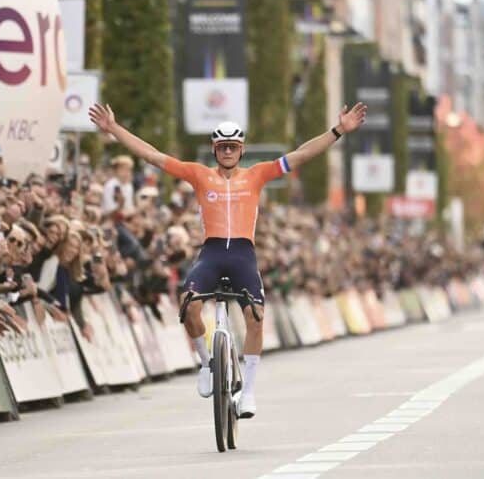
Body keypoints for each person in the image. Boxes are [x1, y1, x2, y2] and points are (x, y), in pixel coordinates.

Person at [89, 101, 367, 418]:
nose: (227, 152)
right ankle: (207, 363)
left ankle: (247, 392)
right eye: (222, 147)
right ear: (214, 148)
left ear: (242, 148)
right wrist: (113, 129)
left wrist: (338, 131)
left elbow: (301, 154)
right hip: (211, 252)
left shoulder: (258, 175)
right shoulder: (199, 174)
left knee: (256, 317)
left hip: (243, 255)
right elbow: (152, 156)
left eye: (233, 147)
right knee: (189, 305)